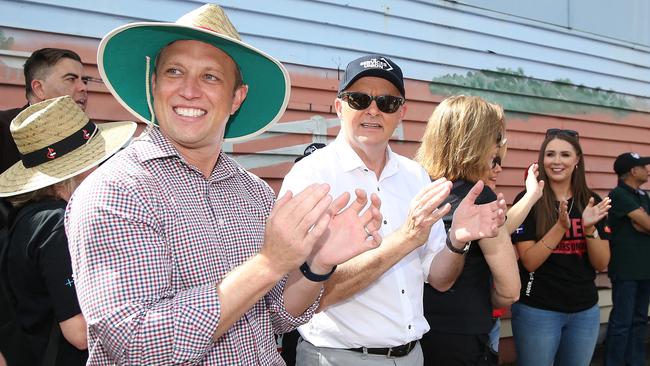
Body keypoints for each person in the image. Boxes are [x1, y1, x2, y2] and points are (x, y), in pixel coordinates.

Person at [64, 4, 382, 365]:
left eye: (210, 77)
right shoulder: (115, 191)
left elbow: (277, 316)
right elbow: (136, 344)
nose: (189, 90)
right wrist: (268, 263)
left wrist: (317, 264)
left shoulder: (254, 192)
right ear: (154, 86)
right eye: (174, 72)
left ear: (236, 98)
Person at [281, 56, 507, 365]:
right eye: (359, 99)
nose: (373, 110)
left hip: (412, 354)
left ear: (401, 113)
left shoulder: (416, 176)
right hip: (338, 358)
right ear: (339, 107)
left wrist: (458, 240)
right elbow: (308, 297)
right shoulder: (311, 176)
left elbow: (440, 279)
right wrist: (406, 238)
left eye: (386, 102)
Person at [0, 95, 136, 365]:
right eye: (97, 159)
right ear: (80, 168)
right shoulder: (57, 226)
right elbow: (79, 333)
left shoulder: (27, 217)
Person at [415, 95, 521, 365]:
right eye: (495, 139)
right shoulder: (479, 197)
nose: (497, 149)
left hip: (410, 332)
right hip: (462, 333)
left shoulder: (414, 185)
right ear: (478, 141)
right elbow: (510, 290)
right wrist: (489, 299)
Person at [511, 128, 611, 366]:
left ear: (577, 160)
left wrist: (588, 228)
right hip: (538, 309)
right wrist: (560, 227)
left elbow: (602, 263)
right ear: (542, 159)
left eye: (565, 155)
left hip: (584, 310)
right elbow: (529, 262)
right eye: (550, 154)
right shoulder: (527, 200)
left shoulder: (591, 202)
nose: (556, 161)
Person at [484, 157, 545, 365]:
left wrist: (532, 194)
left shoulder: (487, 198)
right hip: (466, 322)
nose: (499, 168)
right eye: (493, 161)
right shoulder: (465, 198)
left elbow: (502, 228)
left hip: (488, 316)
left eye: (500, 161)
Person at [0, 47, 88, 174]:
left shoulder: (89, 134)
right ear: (39, 88)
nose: (83, 87)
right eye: (70, 79)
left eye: (84, 81)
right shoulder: (3, 129)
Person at [605, 152, 650, 366]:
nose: (647, 169)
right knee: (622, 321)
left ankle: (636, 362)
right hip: (626, 269)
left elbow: (644, 224)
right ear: (633, 171)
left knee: (640, 320)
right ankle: (614, 362)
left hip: (645, 269)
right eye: (644, 166)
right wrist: (643, 221)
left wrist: (642, 222)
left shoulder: (644, 196)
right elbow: (647, 224)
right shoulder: (618, 194)